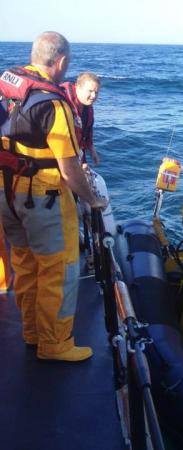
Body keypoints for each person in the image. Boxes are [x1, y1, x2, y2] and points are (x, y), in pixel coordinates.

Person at [0, 31, 107, 362]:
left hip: (6, 193)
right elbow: (69, 169)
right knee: (58, 271)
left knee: (26, 265)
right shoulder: (54, 103)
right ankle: (55, 343)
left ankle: (32, 332)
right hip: (42, 198)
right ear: (61, 62)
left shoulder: (7, 85)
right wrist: (93, 200)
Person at [61, 72, 101, 166]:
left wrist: (91, 149)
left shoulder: (87, 106)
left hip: (77, 155)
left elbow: (86, 131)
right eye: (90, 91)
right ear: (78, 87)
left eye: (96, 92)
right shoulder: (64, 105)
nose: (94, 96)